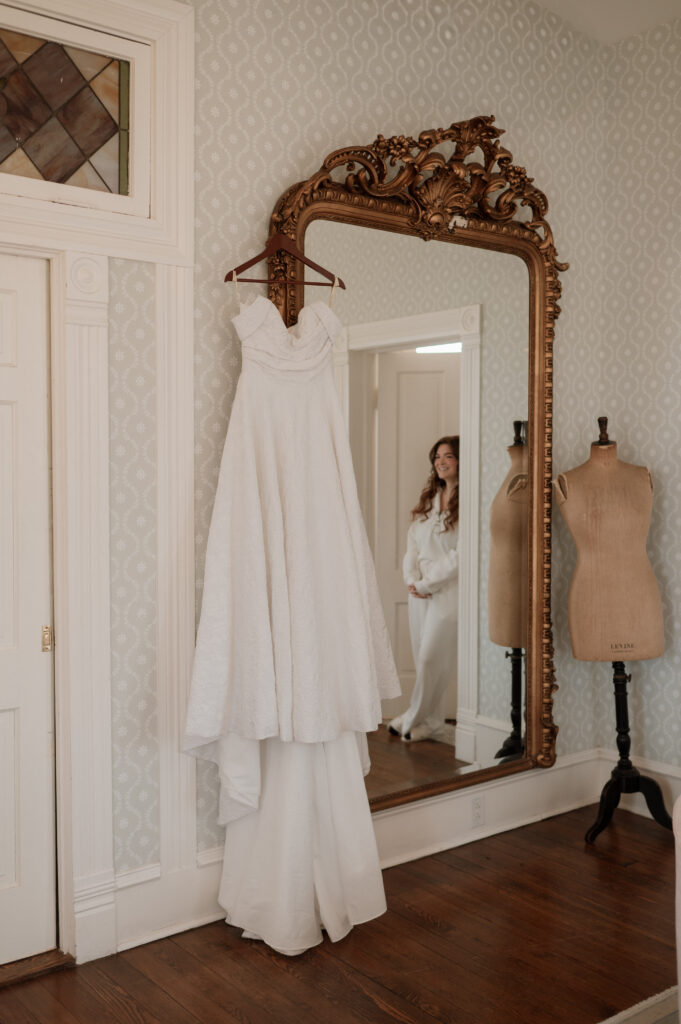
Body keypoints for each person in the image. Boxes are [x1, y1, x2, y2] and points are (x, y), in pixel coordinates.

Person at [389, 436, 459, 742]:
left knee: (432, 658)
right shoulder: (430, 499)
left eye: (448, 456)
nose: (441, 462)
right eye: (437, 457)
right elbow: (412, 544)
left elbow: (461, 555)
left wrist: (428, 583)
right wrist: (412, 580)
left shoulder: (468, 501)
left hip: (448, 592)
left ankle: (412, 717)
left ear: (460, 460)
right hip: (418, 592)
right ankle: (432, 723)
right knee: (423, 661)